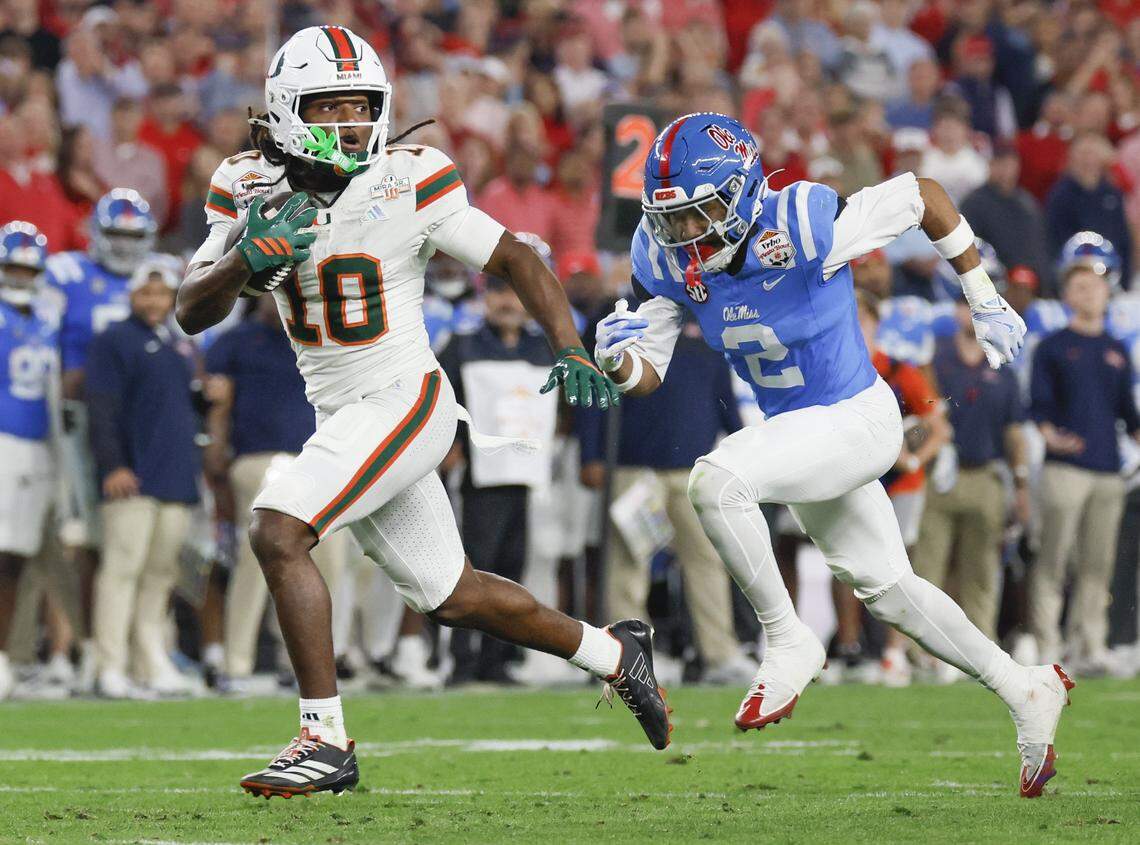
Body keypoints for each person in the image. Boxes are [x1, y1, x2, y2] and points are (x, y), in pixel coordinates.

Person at [176, 26, 669, 798]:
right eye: (329, 105)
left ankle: (324, 739)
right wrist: (248, 257)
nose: (347, 123)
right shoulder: (242, 182)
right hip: (342, 411)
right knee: (453, 594)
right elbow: (189, 310)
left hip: (405, 397)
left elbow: (513, 255)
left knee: (277, 526)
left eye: (359, 105)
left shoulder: (409, 176)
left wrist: (567, 344)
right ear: (285, 108)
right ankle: (615, 652)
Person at [595, 112, 1073, 799]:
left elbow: (925, 195)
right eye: (671, 220)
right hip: (800, 435)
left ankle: (788, 636)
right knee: (892, 590)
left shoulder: (800, 220)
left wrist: (982, 295)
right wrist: (615, 360)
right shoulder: (664, 254)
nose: (685, 235)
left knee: (715, 479)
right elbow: (648, 371)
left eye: (699, 215)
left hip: (856, 416)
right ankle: (1025, 689)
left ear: (742, 193)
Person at [579, 312, 754, 686]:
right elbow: (597, 392)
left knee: (707, 560)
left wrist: (745, 448)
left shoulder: (706, 333)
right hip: (635, 468)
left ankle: (719, 654)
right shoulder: (630, 322)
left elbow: (723, 398)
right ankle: (626, 660)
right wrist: (591, 455)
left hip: (694, 470)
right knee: (629, 565)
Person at [44, 187, 157, 692]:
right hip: (70, 421)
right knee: (71, 541)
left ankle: (128, 651)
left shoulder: (159, 281)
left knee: (129, 544)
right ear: (96, 234)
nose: (126, 246)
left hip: (136, 428)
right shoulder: (67, 275)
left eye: (135, 236)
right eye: (116, 234)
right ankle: (67, 651)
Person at [203, 293, 346, 690]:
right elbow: (216, 403)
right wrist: (216, 449)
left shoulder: (324, 336)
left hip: (321, 460)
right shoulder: (237, 339)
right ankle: (237, 663)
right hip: (257, 458)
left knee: (330, 561)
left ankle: (306, 666)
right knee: (255, 562)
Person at [85, 257, 199, 698]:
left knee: (160, 576)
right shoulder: (113, 340)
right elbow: (102, 407)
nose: (154, 301)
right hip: (132, 476)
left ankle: (149, 661)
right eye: (146, 292)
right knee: (121, 571)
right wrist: (112, 464)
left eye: (161, 292)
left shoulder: (178, 342)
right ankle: (109, 666)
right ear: (132, 295)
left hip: (174, 474)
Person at [437, 276, 558, 685]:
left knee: (512, 564)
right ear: (485, 299)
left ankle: (498, 659)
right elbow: (443, 400)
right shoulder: (462, 344)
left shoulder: (541, 347)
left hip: (526, 474)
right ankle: (461, 659)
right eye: (498, 293)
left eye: (513, 293)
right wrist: (449, 446)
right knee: (475, 566)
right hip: (479, 475)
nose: (506, 302)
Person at [912, 277, 1030, 664]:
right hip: (941, 475)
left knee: (982, 572)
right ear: (955, 311)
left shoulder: (1002, 363)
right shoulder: (936, 362)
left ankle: (982, 652)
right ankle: (922, 652)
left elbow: (1014, 432)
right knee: (928, 568)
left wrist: (1021, 483)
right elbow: (921, 414)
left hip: (986, 476)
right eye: (962, 305)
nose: (969, 312)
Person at [1030, 263, 1140, 673]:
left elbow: (1129, 415)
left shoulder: (1115, 348)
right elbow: (1038, 403)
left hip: (1108, 470)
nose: (1091, 293)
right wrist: (1049, 435)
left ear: (1107, 294)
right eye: (1081, 286)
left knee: (1099, 564)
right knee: (1054, 560)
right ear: (1067, 295)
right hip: (1065, 468)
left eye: (1096, 286)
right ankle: (1048, 647)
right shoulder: (1053, 346)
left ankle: (1089, 645)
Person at [0, 222, 57, 700]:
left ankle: (9, 656)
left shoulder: (45, 315)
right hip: (4, 440)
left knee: (18, 556)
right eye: (11, 267)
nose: (19, 276)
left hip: (39, 445)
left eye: (26, 268)